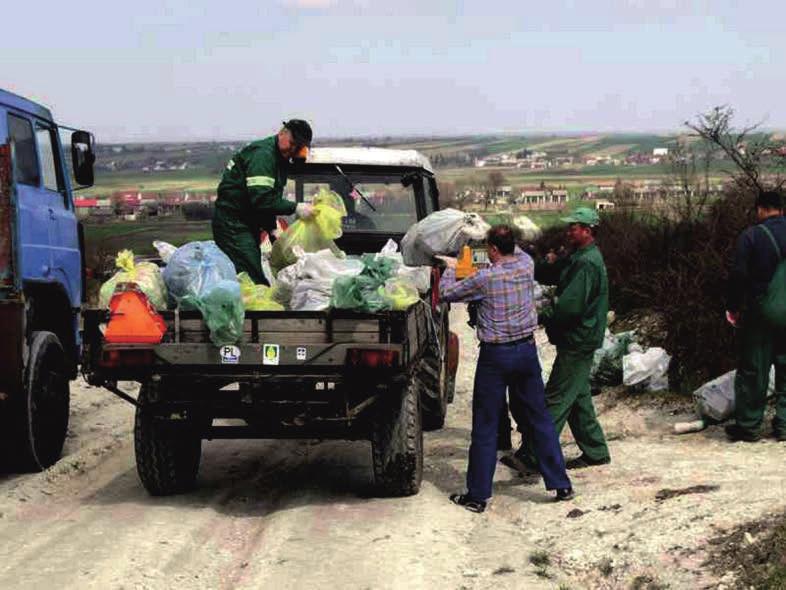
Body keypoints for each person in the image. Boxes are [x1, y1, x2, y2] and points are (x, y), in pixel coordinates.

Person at [439, 225, 573, 513]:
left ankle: (477, 496)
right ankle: (561, 484)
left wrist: (461, 259)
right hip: (526, 352)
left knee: (485, 426)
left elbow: (446, 292)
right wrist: (487, 244)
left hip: (496, 357)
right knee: (539, 419)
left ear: (493, 250)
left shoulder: (485, 278)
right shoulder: (525, 265)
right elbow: (516, 250)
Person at [513, 207, 611, 471]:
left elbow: (570, 307)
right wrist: (537, 260)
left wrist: (538, 315)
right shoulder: (578, 257)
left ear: (587, 231)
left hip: (578, 340)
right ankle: (596, 451)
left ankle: (534, 456)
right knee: (578, 397)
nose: (569, 231)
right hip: (579, 338)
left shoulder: (587, 263)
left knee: (555, 399)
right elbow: (550, 274)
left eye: (574, 227)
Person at [212, 119, 315, 285]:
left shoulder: (280, 158)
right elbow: (262, 200)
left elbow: (267, 200)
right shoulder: (263, 156)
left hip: (247, 222)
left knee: (249, 273)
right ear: (283, 133)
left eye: (298, 147)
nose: (293, 150)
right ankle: (259, 308)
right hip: (233, 223)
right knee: (253, 278)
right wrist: (296, 207)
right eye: (292, 143)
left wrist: (272, 228)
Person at [725, 190, 786, 442]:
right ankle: (784, 426)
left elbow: (738, 276)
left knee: (753, 369)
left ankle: (749, 426)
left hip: (762, 313)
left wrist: (734, 307)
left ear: (761, 209)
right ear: (781, 209)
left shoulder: (751, 236)